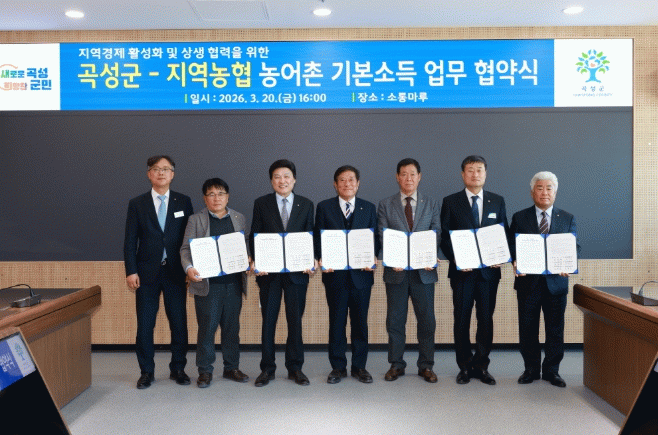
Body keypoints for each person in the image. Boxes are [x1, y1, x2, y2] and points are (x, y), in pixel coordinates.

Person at [123, 155, 194, 389]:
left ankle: (178, 368)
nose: (161, 173)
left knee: (179, 323)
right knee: (145, 325)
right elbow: (130, 240)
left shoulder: (184, 201)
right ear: (149, 174)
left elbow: (190, 239)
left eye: (166, 169)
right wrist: (131, 271)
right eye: (156, 169)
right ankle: (146, 371)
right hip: (146, 274)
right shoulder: (137, 203)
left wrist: (189, 268)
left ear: (172, 174)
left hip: (176, 272)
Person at [440, 155, 508, 386]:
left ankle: (482, 366)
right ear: (463, 174)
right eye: (470, 170)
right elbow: (445, 237)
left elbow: (504, 232)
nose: (475, 174)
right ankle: (464, 367)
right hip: (462, 273)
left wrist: (501, 256)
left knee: (486, 320)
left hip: (489, 273)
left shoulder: (497, 201)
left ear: (485, 174)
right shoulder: (451, 201)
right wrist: (458, 259)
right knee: (461, 320)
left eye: (479, 170)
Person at [249, 159, 317, 387]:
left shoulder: (306, 204)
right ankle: (267, 369)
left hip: (297, 274)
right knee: (268, 322)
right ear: (271, 181)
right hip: (269, 275)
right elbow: (255, 234)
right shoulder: (261, 203)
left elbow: (310, 235)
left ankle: (295, 368)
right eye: (277, 177)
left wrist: (311, 259)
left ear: (294, 179)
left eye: (287, 176)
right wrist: (257, 260)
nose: (282, 180)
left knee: (295, 322)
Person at [509, 171, 579, 388]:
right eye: (539, 188)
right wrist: (515, 261)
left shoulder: (567, 218)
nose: (544, 192)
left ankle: (552, 371)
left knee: (555, 329)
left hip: (556, 284)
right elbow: (512, 245)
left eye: (549, 188)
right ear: (532, 192)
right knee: (527, 329)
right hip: (528, 283)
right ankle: (530, 369)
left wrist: (569, 263)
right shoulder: (520, 217)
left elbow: (574, 247)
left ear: (555, 193)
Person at [180, 178, 250, 388]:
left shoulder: (239, 218)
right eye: (211, 194)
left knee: (232, 329)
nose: (216, 198)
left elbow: (244, 246)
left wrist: (248, 259)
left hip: (233, 284)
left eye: (221, 194)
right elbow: (185, 249)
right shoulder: (196, 220)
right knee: (207, 330)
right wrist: (189, 268)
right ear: (205, 198)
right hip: (208, 285)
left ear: (227, 197)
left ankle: (231, 367)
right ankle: (205, 371)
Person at [377, 158, 441, 384]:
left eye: (412, 174)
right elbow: (383, 233)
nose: (408, 178)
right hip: (396, 272)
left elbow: (436, 231)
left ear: (419, 177)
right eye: (404, 174)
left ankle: (426, 365)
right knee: (395, 321)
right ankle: (396, 364)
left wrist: (430, 254)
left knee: (427, 321)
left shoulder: (431, 203)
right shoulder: (385, 204)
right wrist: (392, 257)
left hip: (423, 272)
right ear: (397, 177)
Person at [314, 166, 379, 384]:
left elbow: (375, 239)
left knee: (360, 323)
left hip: (362, 276)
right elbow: (318, 238)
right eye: (342, 180)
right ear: (335, 184)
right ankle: (338, 367)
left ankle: (360, 367)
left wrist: (372, 256)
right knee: (337, 322)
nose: (347, 184)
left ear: (358, 183)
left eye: (351, 179)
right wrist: (321, 258)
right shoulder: (324, 207)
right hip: (335, 276)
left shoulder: (368, 208)